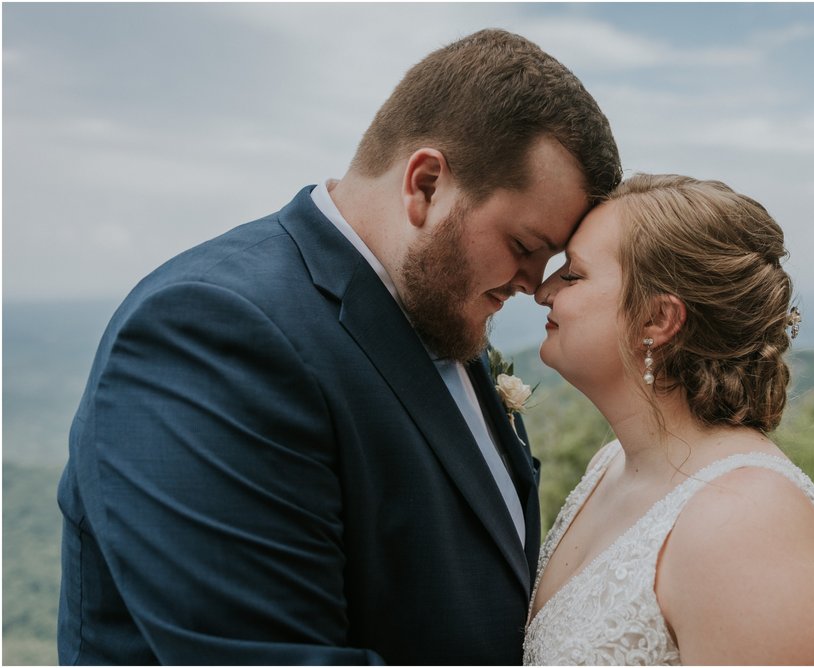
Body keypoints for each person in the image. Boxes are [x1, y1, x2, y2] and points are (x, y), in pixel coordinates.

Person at [57, 29, 621, 665]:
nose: (531, 284)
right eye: (523, 247)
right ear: (427, 184)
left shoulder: (438, 306)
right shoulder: (210, 330)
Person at [523, 174, 814, 665]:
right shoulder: (611, 465)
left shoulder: (748, 524)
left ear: (658, 320)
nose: (543, 290)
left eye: (572, 274)